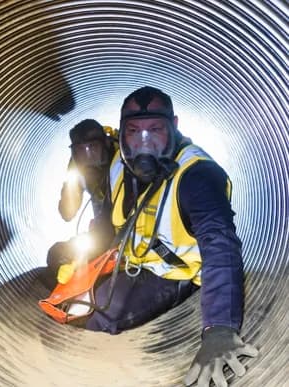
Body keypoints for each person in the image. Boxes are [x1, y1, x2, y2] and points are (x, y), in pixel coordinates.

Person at [42, 87, 258, 386]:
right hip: (130, 257)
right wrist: (85, 264)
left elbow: (220, 246)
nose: (144, 142)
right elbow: (104, 223)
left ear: (174, 127)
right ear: (121, 133)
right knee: (61, 269)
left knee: (97, 316)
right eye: (133, 131)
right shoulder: (118, 163)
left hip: (170, 274)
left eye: (155, 129)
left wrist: (219, 329)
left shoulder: (197, 176)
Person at [45, 119, 117, 288]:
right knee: (57, 254)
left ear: (106, 143)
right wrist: (73, 180)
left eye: (93, 148)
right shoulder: (77, 169)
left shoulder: (123, 157)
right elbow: (67, 213)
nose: (88, 157)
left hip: (131, 228)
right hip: (102, 231)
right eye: (80, 151)